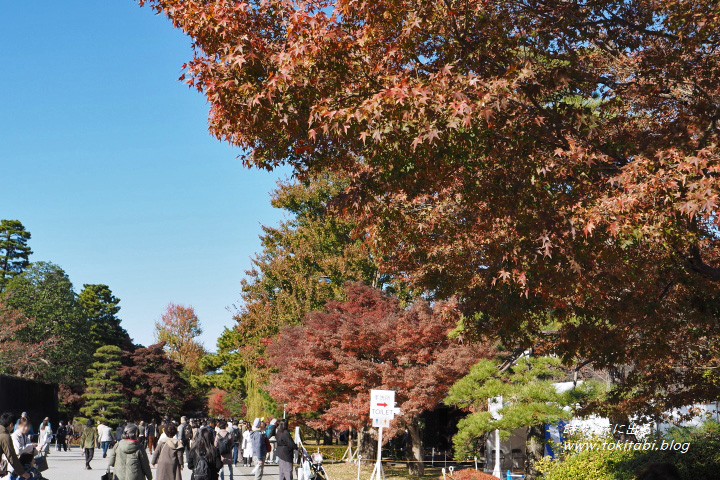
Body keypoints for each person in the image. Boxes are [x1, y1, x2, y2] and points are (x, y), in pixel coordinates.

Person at [1, 414, 30, 480]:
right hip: (12, 470)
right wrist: (22, 473)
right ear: (11, 425)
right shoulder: (5, 436)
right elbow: (11, 456)